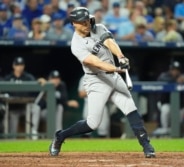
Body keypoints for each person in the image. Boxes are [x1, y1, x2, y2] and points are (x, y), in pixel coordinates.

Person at [49, 7, 155, 158]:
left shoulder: (98, 27)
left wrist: (121, 56)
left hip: (114, 77)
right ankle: (61, 136)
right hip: (96, 79)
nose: (86, 24)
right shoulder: (76, 44)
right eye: (82, 22)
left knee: (131, 109)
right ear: (73, 23)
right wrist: (117, 69)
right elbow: (95, 62)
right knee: (93, 124)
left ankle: (146, 145)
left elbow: (110, 42)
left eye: (87, 20)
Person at [31, 70, 78, 140]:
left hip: (54, 113)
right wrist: (44, 86)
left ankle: (58, 133)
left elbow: (63, 100)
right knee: (36, 108)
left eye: (57, 78)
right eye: (53, 78)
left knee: (60, 107)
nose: (56, 80)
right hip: (43, 113)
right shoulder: (45, 85)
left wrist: (66, 102)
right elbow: (38, 103)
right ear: (49, 79)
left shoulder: (61, 85)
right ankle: (34, 132)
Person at [152, 61, 184, 136]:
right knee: (166, 110)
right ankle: (164, 129)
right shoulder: (164, 75)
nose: (175, 71)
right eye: (173, 69)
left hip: (179, 105)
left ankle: (174, 130)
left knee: (180, 115)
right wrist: (176, 81)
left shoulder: (182, 76)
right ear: (170, 70)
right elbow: (161, 79)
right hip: (166, 102)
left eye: (177, 70)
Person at [4, 57, 36, 138]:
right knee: (12, 117)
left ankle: (33, 134)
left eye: (21, 65)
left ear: (24, 66)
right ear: (13, 66)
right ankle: (11, 140)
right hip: (13, 108)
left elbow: (36, 90)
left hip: (27, 107)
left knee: (36, 108)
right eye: (17, 65)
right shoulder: (8, 78)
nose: (19, 67)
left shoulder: (29, 77)